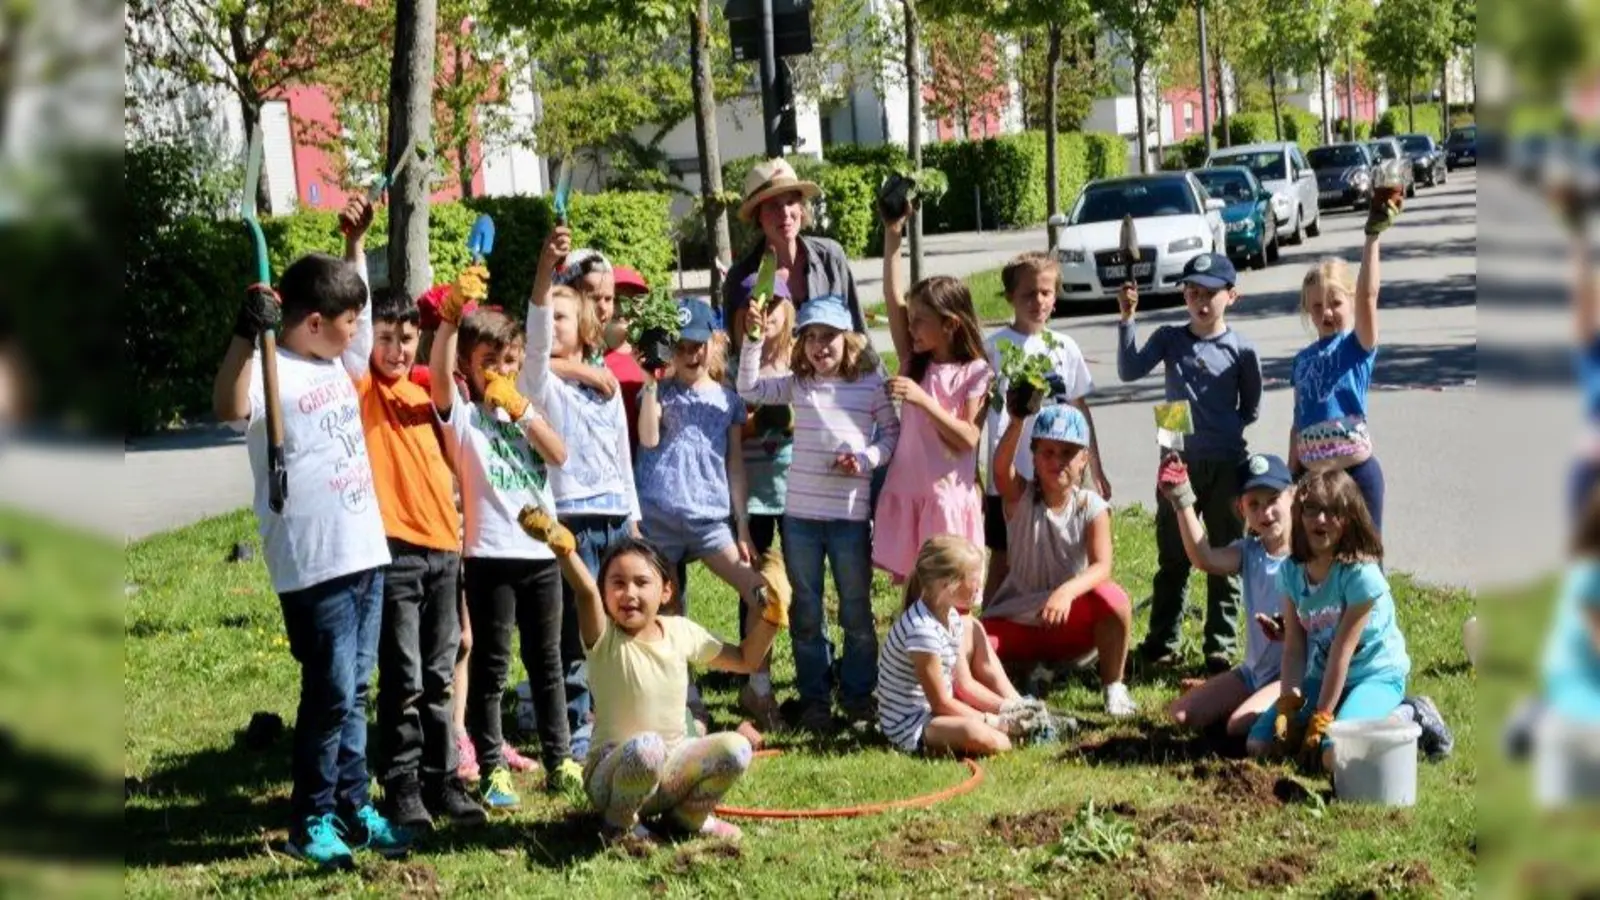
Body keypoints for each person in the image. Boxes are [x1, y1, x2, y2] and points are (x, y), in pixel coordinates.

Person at [210, 195, 410, 867]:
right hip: (313, 562)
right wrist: (246, 332)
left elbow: (358, 316)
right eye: (349, 322)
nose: (364, 334)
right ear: (314, 322)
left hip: (363, 553)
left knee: (355, 689)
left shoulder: (335, 363)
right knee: (328, 694)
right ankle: (311, 817)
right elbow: (227, 406)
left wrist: (355, 245)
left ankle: (354, 805)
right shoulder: (273, 368)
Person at [518, 508, 787, 845]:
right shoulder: (603, 639)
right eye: (617, 583)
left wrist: (772, 618)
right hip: (611, 776)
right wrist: (565, 550)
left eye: (641, 582)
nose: (629, 593)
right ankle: (620, 825)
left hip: (671, 772)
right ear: (604, 593)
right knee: (648, 748)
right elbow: (585, 592)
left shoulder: (681, 632)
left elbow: (747, 659)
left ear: (666, 591)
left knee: (737, 748)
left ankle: (687, 818)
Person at [428, 278, 581, 808]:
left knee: (548, 662)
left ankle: (561, 757)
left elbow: (559, 456)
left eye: (509, 359)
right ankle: (492, 767)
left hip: (542, 552)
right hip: (490, 556)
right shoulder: (464, 420)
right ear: (468, 366)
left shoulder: (524, 407)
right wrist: (449, 319)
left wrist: (522, 409)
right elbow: (439, 385)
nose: (502, 369)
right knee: (492, 668)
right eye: (489, 360)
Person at [737, 293, 900, 731]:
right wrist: (753, 339)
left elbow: (891, 434)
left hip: (848, 518)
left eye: (829, 336)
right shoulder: (798, 382)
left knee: (855, 609)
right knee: (806, 611)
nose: (819, 346)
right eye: (810, 337)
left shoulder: (869, 384)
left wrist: (865, 458)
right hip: (801, 518)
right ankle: (815, 698)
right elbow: (748, 388)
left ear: (849, 340)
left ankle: (859, 693)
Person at [358, 287, 488, 828]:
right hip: (395, 554)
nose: (396, 350)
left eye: (406, 338)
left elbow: (439, 367)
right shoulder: (363, 388)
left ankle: (444, 781)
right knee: (404, 677)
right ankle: (402, 786)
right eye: (385, 339)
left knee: (439, 673)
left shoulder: (424, 394)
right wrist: (354, 246)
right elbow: (358, 329)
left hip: (443, 550)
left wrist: (451, 320)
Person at [635, 298, 782, 729]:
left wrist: (740, 523)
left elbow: (735, 462)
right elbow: (646, 439)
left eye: (698, 345)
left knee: (762, 593)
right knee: (668, 607)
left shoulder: (727, 400)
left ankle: (756, 683)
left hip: (709, 518)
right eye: (680, 346)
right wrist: (648, 381)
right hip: (659, 514)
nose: (691, 354)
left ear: (713, 344)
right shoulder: (659, 393)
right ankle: (686, 695)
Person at [526, 228, 643, 764]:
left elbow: (623, 456)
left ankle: (622, 711)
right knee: (575, 630)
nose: (552, 328)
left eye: (562, 319)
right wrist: (546, 271)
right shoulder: (542, 383)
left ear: (586, 325)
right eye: (548, 319)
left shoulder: (608, 386)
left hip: (615, 515)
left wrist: (634, 518)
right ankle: (576, 724)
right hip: (570, 517)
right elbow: (530, 352)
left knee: (623, 619)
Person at [1116, 253, 1263, 674]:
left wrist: (1220, 431)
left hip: (1226, 465)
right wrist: (1127, 318)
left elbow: (1250, 408)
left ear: (1231, 296)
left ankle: (1219, 647)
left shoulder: (1241, 349)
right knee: (1173, 558)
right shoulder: (1168, 338)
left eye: (1210, 294)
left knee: (1224, 557)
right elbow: (1129, 371)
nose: (1200, 301)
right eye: (1192, 292)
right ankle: (1163, 642)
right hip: (1176, 463)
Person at [982, 405, 1137, 718]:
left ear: (1084, 459)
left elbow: (1102, 566)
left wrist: (1066, 592)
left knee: (1115, 600)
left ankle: (1114, 688)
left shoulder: (1091, 507)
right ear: (1034, 457)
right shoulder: (1020, 497)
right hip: (1014, 620)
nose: (1056, 461)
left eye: (1067, 453)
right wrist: (1016, 420)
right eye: (1047, 452)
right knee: (969, 641)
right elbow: (1000, 470)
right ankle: (1029, 675)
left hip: (1065, 621)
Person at [1249, 470, 1410, 770]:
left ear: (1348, 519)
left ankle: (1407, 715)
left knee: (1330, 755)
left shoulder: (1361, 575)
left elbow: (1342, 651)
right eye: (1312, 509)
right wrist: (1288, 704)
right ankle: (1341, 714)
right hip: (1324, 676)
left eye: (1332, 511)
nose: (1320, 520)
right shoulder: (1291, 572)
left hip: (1374, 676)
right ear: (1299, 515)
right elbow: (1295, 648)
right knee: (1260, 743)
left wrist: (1320, 718)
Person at [872, 207, 992, 581]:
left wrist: (923, 401)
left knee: (948, 596)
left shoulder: (975, 372)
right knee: (913, 595)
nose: (911, 328)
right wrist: (893, 233)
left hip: (945, 500)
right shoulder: (914, 359)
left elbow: (967, 439)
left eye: (920, 322)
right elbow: (893, 296)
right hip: (910, 494)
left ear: (951, 324)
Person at [983, 251, 1109, 598]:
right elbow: (980, 413)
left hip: (1058, 474)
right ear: (1010, 296)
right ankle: (991, 624)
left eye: (1046, 292)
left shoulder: (1065, 348)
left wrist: (1096, 468)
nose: (1038, 301)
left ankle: (1054, 619)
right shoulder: (993, 349)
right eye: (1028, 293)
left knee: (1061, 549)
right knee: (1004, 555)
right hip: (1010, 477)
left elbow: (1080, 409)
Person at [1160, 452, 1293, 746]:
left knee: (1238, 726)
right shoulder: (1249, 552)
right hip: (1252, 674)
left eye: (1272, 500)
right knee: (1180, 716)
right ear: (1241, 509)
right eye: (1254, 505)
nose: (1265, 512)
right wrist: (1181, 498)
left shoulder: (1307, 559)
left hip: (1290, 677)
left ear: (1293, 496)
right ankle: (1229, 697)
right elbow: (1203, 557)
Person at [1288, 195, 1399, 530]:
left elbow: (1369, 295)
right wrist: (1291, 477)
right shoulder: (1301, 361)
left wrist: (1372, 236)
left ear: (1349, 302)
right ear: (1308, 309)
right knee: (1319, 570)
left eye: (1335, 302)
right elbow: (1298, 422)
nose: (1327, 312)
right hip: (1313, 482)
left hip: (1357, 476)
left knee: (1364, 566)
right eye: (1318, 305)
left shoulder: (1357, 346)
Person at [877, 535, 1034, 756]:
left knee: (984, 730)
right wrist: (994, 722)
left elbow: (963, 684)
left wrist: (1008, 708)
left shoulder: (951, 617)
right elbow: (940, 703)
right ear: (948, 585)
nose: (979, 586)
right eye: (974, 579)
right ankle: (1012, 737)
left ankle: (1016, 726)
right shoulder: (922, 631)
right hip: (913, 723)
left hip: (936, 712)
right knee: (978, 734)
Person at [724, 158, 863, 350]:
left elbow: (857, 329)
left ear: (801, 208)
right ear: (759, 217)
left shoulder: (830, 257)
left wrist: (876, 377)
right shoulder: (741, 278)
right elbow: (735, 353)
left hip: (833, 377)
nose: (785, 213)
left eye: (791, 202)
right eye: (773, 205)